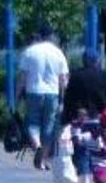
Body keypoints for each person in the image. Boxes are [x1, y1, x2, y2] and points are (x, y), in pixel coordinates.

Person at [64, 50, 106, 183]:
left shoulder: (76, 76)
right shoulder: (104, 76)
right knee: (102, 154)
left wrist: (66, 118)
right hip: (101, 121)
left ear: (84, 61)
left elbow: (69, 99)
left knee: (82, 156)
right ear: (97, 61)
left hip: (80, 121)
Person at [18, 26, 72, 170]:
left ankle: (37, 146)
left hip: (33, 91)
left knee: (32, 122)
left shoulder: (29, 52)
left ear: (39, 35)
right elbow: (63, 80)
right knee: (49, 125)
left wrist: (17, 95)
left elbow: (22, 78)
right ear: (52, 36)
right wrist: (63, 98)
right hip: (52, 93)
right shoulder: (58, 53)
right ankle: (43, 159)